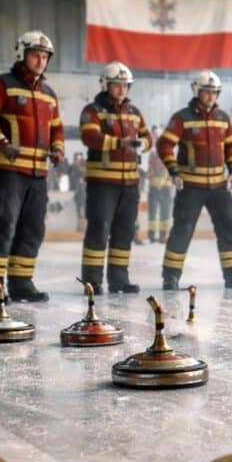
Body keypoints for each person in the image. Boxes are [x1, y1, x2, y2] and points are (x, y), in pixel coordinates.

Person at [0, 30, 64, 304]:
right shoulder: (1, 84)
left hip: (37, 174)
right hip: (7, 170)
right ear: (21, 54)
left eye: (45, 57)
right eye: (35, 55)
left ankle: (21, 283)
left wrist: (57, 148)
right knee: (2, 223)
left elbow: (56, 127)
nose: (40, 61)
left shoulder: (49, 94)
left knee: (32, 228)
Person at [157, 70, 232, 290]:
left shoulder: (223, 118)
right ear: (196, 91)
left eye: (214, 92)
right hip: (190, 186)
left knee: (229, 227)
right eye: (206, 92)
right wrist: (173, 170)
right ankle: (170, 277)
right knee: (182, 229)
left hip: (219, 186)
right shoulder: (182, 118)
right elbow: (165, 144)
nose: (210, 96)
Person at [78, 62, 151, 293]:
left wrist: (144, 144)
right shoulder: (92, 110)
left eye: (125, 85)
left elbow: (148, 136)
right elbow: (89, 136)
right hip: (102, 183)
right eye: (116, 85)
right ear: (105, 85)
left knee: (125, 230)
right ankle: (92, 280)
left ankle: (119, 280)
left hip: (130, 182)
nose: (121, 89)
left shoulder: (134, 112)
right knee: (99, 229)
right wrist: (120, 143)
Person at [146, 127, 172, 243]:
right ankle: (152, 235)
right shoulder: (150, 151)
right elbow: (147, 170)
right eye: (153, 135)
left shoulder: (168, 150)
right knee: (152, 211)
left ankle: (163, 235)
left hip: (166, 187)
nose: (155, 137)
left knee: (165, 212)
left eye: (157, 135)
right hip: (153, 187)